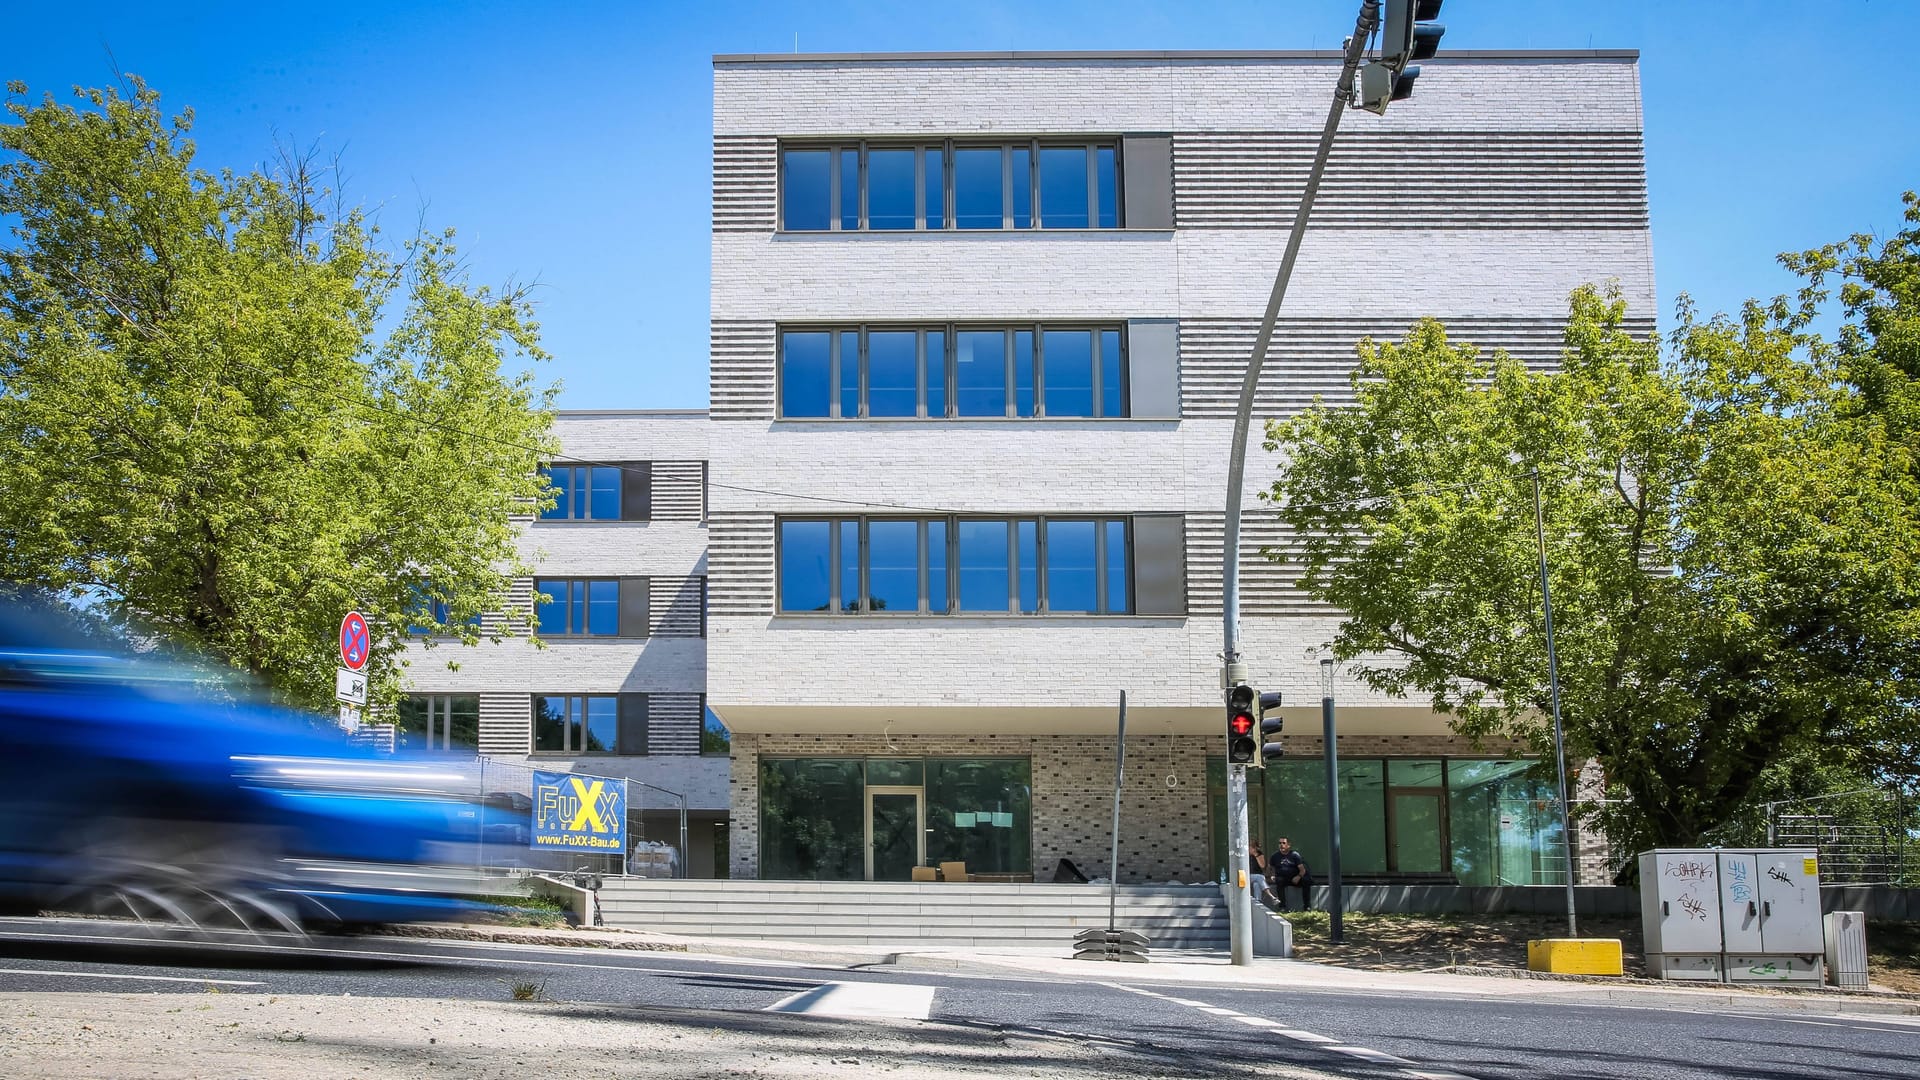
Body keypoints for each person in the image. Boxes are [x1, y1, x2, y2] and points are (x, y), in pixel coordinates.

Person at [1269, 836, 1309, 912]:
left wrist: (1298, 876)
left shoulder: (1294, 855)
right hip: (1283, 878)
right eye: (1280, 843)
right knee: (1279, 881)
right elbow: (1270, 868)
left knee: (1306, 881)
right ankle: (1282, 907)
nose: (1281, 845)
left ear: (1288, 845)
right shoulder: (1275, 856)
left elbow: (1302, 870)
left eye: (1284, 843)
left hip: (1295, 878)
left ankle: (1307, 906)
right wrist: (1272, 875)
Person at [1247, 839, 1271, 908]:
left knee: (1256, 884)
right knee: (1260, 877)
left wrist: (1256, 855)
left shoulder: (1259, 853)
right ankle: (1270, 895)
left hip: (1257, 877)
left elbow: (1262, 866)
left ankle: (1258, 903)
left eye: (1253, 847)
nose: (1251, 849)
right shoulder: (1244, 854)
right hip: (1247, 876)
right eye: (1250, 847)